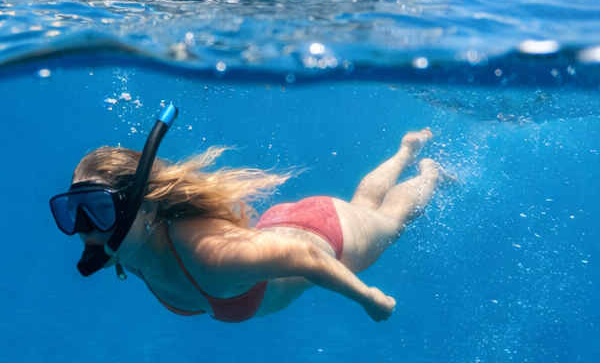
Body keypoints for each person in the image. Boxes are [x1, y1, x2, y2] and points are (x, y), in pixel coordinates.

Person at [51, 119, 444, 324]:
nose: (83, 226)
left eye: (98, 208)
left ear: (148, 209)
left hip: (320, 234)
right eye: (72, 210)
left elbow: (306, 255)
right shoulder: (130, 251)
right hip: (273, 233)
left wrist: (370, 299)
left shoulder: (208, 255)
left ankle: (429, 173)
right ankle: (405, 150)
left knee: (388, 221)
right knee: (365, 205)